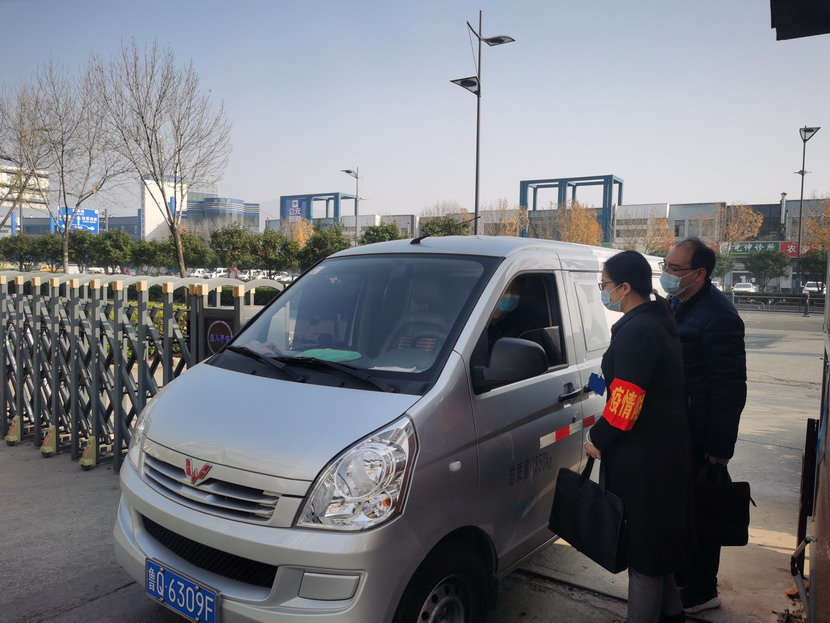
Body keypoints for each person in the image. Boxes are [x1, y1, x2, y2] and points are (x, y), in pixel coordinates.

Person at [585, 250, 690, 623]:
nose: (603, 290)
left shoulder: (639, 329)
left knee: (645, 549)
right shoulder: (654, 318)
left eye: (605, 284)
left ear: (625, 287)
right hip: (661, 451)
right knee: (656, 544)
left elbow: (627, 402)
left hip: (645, 459)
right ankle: (672, 613)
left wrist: (597, 438)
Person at [660, 237, 747, 614]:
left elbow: (730, 386)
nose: (667, 273)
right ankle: (683, 576)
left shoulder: (719, 315)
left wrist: (720, 447)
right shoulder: (676, 302)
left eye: (674, 268)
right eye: (665, 265)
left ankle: (702, 590)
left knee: (703, 509)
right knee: (681, 507)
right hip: (677, 428)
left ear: (699, 273)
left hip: (700, 432)